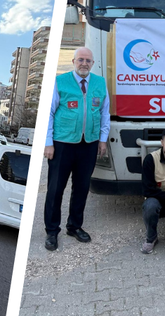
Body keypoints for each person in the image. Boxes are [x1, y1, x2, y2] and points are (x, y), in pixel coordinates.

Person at [43, 47, 110, 251]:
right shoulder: (60, 81)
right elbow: (49, 113)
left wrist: (103, 140)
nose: (84, 63)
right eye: (80, 60)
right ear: (73, 61)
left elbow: (104, 113)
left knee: (81, 189)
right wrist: (48, 143)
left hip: (88, 144)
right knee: (55, 189)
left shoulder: (99, 83)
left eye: (88, 61)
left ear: (92, 64)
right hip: (62, 144)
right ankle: (52, 231)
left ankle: (74, 226)